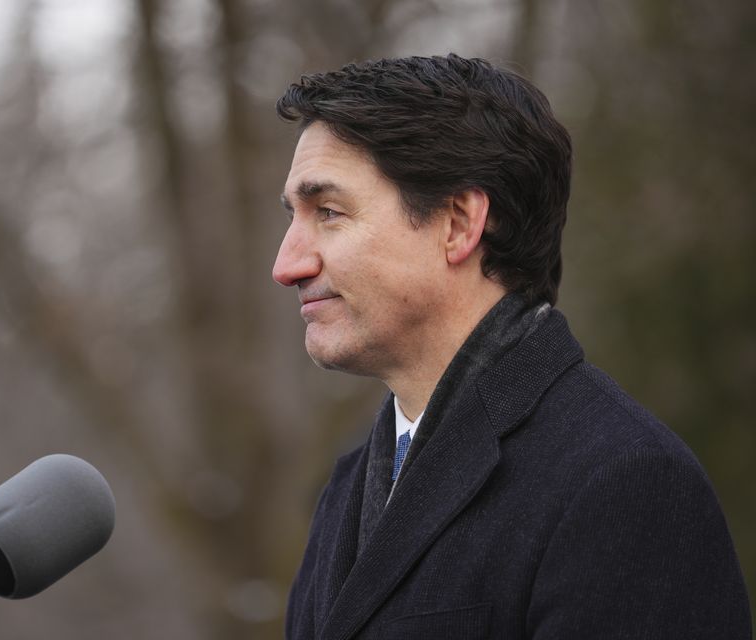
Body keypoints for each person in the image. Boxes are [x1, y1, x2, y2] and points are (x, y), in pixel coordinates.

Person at [272, 54, 751, 640]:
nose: (286, 264)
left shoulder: (623, 483)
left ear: (459, 223)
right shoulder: (346, 489)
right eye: (294, 217)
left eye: (328, 212)